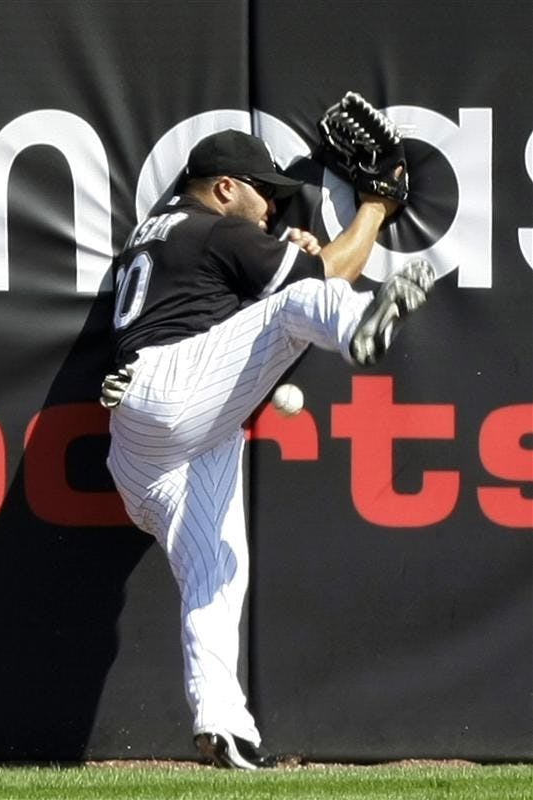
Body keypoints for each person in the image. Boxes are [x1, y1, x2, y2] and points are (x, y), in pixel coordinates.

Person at [101, 128, 434, 769]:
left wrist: (287, 255)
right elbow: (323, 276)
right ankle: (358, 326)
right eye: (265, 193)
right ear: (225, 188)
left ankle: (223, 727)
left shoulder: (160, 232)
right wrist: (376, 207)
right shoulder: (212, 229)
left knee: (216, 572)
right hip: (172, 393)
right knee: (302, 299)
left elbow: (216, 301)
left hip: (146, 446)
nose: (273, 207)